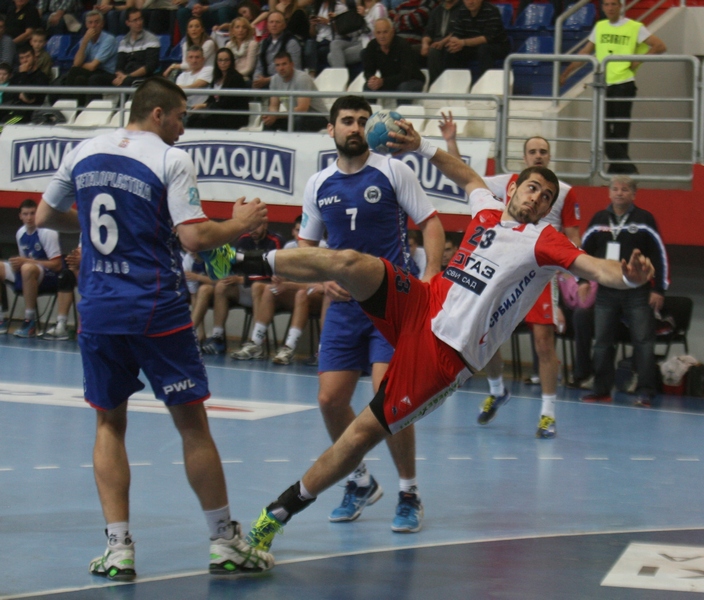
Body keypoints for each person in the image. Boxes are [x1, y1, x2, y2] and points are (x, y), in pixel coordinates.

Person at [239, 121, 655, 554]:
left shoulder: (544, 241)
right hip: (420, 303)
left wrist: (628, 276)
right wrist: (422, 145)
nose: (537, 199)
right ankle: (240, 261)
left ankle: (276, 514)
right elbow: (468, 177)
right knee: (347, 261)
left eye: (547, 197)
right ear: (513, 189)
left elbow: (596, 268)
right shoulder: (487, 209)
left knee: (361, 434)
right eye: (532, 189)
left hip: (444, 357)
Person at [35, 77, 274, 579]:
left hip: (99, 308)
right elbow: (194, 237)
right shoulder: (170, 158)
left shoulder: (83, 150)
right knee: (192, 425)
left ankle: (118, 548)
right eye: (181, 116)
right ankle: (224, 542)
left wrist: (98, 224)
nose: (184, 127)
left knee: (108, 424)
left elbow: (45, 215)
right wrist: (241, 223)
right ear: (158, 113)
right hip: (155, 308)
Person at [289, 95, 445, 533]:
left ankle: (409, 492)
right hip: (343, 308)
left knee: (388, 397)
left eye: (361, 120)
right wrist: (323, 280)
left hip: (391, 304)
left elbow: (431, 223)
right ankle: (359, 481)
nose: (355, 127)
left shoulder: (394, 170)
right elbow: (306, 246)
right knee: (330, 400)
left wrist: (431, 273)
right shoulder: (319, 183)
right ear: (331, 129)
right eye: (346, 120)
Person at [441, 128, 582, 438]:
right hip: (501, 267)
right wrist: (450, 142)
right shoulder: (508, 183)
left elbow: (573, 236)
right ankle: (497, 390)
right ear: (525, 157)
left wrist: (571, 273)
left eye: (543, 151)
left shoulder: (563, 191)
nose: (538, 156)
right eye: (533, 152)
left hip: (539, 270)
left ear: (549, 156)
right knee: (484, 329)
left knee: (543, 342)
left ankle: (548, 413)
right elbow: (466, 176)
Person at [581, 175, 668, 407]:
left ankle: (645, 391)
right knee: (602, 342)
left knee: (643, 341)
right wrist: (582, 281)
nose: (619, 193)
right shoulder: (599, 219)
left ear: (634, 194)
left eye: (625, 189)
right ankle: (601, 389)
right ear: (609, 193)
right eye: (616, 189)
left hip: (637, 291)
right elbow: (582, 253)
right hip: (606, 290)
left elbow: (659, 254)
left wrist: (659, 289)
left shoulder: (644, 219)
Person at [559, 0, 666, 174]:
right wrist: (566, 72)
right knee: (603, 132)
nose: (610, 8)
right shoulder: (600, 27)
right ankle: (626, 171)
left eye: (613, 4)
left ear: (620, 6)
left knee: (620, 133)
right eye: (607, 4)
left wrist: (638, 60)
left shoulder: (634, 27)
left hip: (624, 83)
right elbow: (585, 52)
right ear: (602, 7)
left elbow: (659, 46)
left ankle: (620, 175)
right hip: (604, 85)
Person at [234, 216, 324, 365]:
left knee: (301, 294)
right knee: (270, 289)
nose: (301, 234)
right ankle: (256, 343)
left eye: (304, 231)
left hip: (317, 297)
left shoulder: (323, 248)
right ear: (293, 232)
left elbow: (319, 286)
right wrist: (279, 280)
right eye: (298, 230)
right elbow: (282, 278)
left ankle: (289, 347)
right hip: (294, 293)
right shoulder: (289, 247)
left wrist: (288, 285)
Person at [201, 223, 284, 355]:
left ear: (265, 225)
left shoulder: (275, 241)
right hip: (245, 289)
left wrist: (244, 279)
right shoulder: (243, 239)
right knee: (222, 287)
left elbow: (274, 273)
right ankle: (218, 337)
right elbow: (236, 266)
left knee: (257, 287)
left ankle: (256, 343)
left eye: (256, 226)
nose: (253, 230)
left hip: (266, 292)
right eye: (250, 227)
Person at [0, 199, 62, 337]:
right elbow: (24, 262)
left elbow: (57, 265)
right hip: (29, 272)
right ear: (20, 216)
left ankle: (29, 321)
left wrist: (26, 262)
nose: (29, 217)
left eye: (32, 213)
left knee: (27, 268)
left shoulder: (47, 232)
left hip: (48, 275)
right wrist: (17, 264)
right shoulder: (20, 233)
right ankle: (1, 319)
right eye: (25, 214)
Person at [440, 0, 510, 83]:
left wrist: (463, 42)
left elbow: (488, 38)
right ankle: (453, 84)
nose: (470, 2)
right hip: (472, 46)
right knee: (451, 49)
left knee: (484, 49)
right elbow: (457, 33)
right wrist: (454, 43)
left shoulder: (492, 10)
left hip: (497, 46)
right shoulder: (462, 10)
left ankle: (485, 84)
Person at [262, 50, 329, 132]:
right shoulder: (275, 80)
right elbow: (274, 106)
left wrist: (276, 115)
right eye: (277, 65)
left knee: (298, 120)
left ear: (292, 64)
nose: (281, 68)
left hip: (318, 117)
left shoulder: (302, 78)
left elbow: (302, 109)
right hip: (295, 116)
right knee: (268, 122)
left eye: (284, 64)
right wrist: (271, 116)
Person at [189, 47, 248, 129]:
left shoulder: (236, 78)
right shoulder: (217, 77)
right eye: (220, 60)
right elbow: (211, 98)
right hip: (217, 111)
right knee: (192, 118)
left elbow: (227, 102)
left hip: (232, 115)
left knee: (201, 122)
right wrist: (200, 106)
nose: (223, 63)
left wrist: (204, 105)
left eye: (226, 60)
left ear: (231, 61)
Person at [363, 17, 425, 94]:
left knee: (403, 88)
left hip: (412, 80)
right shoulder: (372, 46)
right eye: (378, 33)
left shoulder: (403, 45)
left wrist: (383, 81)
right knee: (368, 86)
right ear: (374, 34)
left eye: (385, 32)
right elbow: (368, 71)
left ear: (392, 32)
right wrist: (372, 80)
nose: (382, 36)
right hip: (388, 81)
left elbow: (406, 74)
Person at [63, 11, 118, 94]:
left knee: (76, 71)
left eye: (96, 22)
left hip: (108, 73)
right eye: (90, 23)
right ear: (86, 25)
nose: (93, 25)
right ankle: (76, 102)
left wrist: (80, 65)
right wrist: (85, 42)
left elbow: (93, 66)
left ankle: (66, 99)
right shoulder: (85, 39)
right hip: (94, 72)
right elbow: (77, 62)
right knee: (79, 79)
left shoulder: (109, 39)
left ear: (102, 24)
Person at [327, 0, 387, 69]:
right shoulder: (360, 7)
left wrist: (365, 15)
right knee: (334, 43)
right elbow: (352, 32)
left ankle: (341, 75)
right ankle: (341, 74)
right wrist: (337, 20)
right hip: (357, 40)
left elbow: (378, 31)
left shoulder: (379, 8)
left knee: (331, 57)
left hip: (369, 43)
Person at [252, 10, 303, 89]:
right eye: (271, 22)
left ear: (284, 25)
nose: (274, 25)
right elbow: (259, 67)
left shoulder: (291, 43)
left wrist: (267, 80)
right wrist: (256, 80)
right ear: (267, 25)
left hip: (285, 82)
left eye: (277, 22)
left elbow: (294, 69)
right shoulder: (263, 43)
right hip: (265, 82)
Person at [111, 8, 161, 87]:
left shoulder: (151, 39)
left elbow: (150, 66)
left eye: (140, 19)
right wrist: (120, 77)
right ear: (127, 23)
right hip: (127, 76)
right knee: (100, 79)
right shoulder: (123, 42)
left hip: (145, 77)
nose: (139, 23)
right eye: (135, 20)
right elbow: (119, 67)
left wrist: (128, 76)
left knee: (126, 82)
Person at [2, 43, 50, 123]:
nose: (25, 60)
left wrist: (23, 74)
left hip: (25, 114)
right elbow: (7, 95)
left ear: (35, 57)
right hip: (9, 110)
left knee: (1, 127)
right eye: (22, 58)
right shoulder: (17, 76)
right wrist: (20, 95)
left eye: (28, 57)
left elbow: (28, 97)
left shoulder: (41, 77)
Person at [43, 246, 81, 341]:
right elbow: (80, 251)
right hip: (86, 269)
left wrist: (85, 259)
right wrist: (74, 259)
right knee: (66, 275)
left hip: (102, 270)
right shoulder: (86, 236)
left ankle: (88, 325)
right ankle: (61, 323)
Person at [421, 0, 461, 84]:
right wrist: (425, 45)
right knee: (411, 50)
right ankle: (416, 84)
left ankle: (435, 85)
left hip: (452, 41)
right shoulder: (437, 10)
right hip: (435, 42)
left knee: (434, 51)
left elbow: (458, 31)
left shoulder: (462, 9)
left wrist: (442, 42)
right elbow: (428, 32)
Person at [225, 17, 259, 81]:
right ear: (232, 30)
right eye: (237, 27)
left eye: (244, 27)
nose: (240, 30)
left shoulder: (252, 44)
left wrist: (234, 77)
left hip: (245, 77)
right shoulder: (229, 45)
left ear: (247, 30)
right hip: (230, 76)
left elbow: (249, 68)